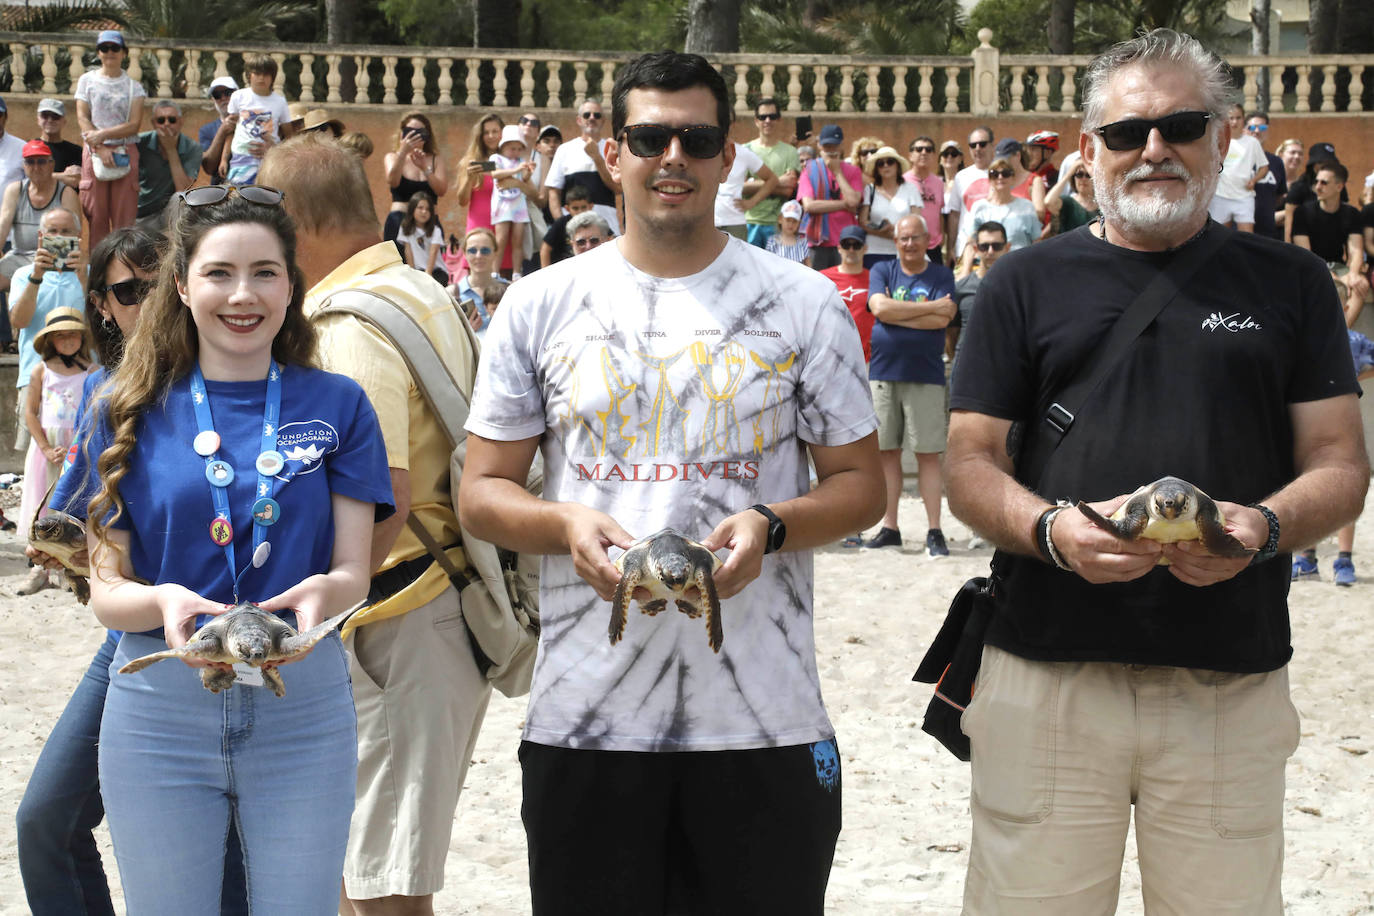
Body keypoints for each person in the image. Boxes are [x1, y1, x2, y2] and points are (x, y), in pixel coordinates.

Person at [945, 29, 1368, 913]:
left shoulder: (1291, 282)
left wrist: (1266, 529)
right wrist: (1049, 532)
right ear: (1088, 146)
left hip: (1227, 682)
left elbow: (1339, 459)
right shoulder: (1022, 282)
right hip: (1047, 675)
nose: (1154, 149)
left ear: (1223, 137)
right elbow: (969, 463)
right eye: (1126, 132)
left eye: (1181, 126)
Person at [459, 49, 882, 916]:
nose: (674, 158)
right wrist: (565, 524)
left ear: (730, 156)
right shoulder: (538, 303)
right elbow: (483, 491)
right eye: (651, 138)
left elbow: (861, 486)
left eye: (697, 139)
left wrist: (771, 522)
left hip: (763, 721)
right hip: (587, 721)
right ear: (612, 154)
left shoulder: (804, 302)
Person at [67, 184, 392, 913]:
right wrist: (162, 601)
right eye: (219, 273)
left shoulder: (340, 403)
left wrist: (327, 595)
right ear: (182, 287)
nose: (242, 295)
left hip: (303, 705)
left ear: (290, 286)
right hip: (159, 706)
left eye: (264, 272)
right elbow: (106, 591)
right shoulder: (121, 406)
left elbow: (352, 570)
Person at [259, 134, 495, 915]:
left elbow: (382, 498)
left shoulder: (345, 325)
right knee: (369, 875)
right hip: (429, 608)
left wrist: (309, 621)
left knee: (378, 892)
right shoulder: (419, 289)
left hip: (394, 623)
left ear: (293, 224)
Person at [17, 227, 255, 915]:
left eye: (156, 284)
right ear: (101, 304)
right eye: (127, 290)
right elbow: (83, 535)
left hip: (230, 639)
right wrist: (66, 549)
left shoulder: (233, 374)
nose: (146, 302)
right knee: (45, 821)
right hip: (135, 640)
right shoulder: (105, 391)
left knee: (226, 855)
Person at [863, 213, 955, 555]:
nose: (910, 243)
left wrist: (895, 313)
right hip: (883, 373)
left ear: (928, 240)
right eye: (903, 238)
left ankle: (934, 530)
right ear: (896, 241)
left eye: (916, 237)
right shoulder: (882, 270)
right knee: (886, 454)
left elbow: (944, 318)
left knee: (927, 454)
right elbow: (879, 308)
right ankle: (890, 527)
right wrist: (928, 309)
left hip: (925, 374)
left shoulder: (941, 274)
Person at [16, 307, 94, 593]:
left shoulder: (91, 372)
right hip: (47, 451)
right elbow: (30, 413)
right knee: (42, 504)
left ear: (82, 338)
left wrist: (79, 448)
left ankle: (67, 567)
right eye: (61, 336)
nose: (68, 340)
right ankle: (39, 568)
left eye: (73, 334)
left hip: (78, 450)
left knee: (71, 507)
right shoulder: (41, 370)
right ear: (50, 340)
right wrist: (46, 448)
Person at [10, 207, 85, 453]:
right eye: (53, 231)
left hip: (83, 378)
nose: (59, 237)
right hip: (36, 379)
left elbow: (103, 322)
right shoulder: (23, 275)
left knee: (84, 454)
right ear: (41, 236)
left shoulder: (91, 274)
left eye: (66, 231)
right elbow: (19, 321)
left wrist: (84, 278)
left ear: (78, 237)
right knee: (35, 457)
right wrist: (36, 276)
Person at [75, 29, 146, 250]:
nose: (109, 52)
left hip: (124, 151)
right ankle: (98, 267)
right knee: (96, 217)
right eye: (104, 48)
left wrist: (103, 135)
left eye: (115, 48)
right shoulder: (87, 80)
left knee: (124, 219)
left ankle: (123, 265)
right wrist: (100, 148)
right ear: (98, 52)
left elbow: (134, 124)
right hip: (94, 152)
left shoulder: (134, 87)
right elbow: (82, 117)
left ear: (124, 52)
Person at [1292, 161, 1370, 321]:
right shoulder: (1303, 212)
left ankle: (1343, 332)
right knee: (1329, 284)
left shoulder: (1351, 213)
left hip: (1337, 266)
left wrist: (1353, 274)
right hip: (1310, 267)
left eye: (1324, 182)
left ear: (1339, 186)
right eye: (1317, 182)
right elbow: (1306, 254)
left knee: (1360, 284)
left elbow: (1356, 250)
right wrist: (1330, 275)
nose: (1318, 187)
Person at [0, 140, 81, 294]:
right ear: (24, 166)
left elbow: (74, 235)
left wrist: (48, 265)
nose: (36, 167)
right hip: (18, 256)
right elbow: (2, 228)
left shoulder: (66, 193)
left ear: (52, 164)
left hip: (54, 258)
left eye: (41, 162)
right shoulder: (15, 190)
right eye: (30, 162)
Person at [544, 99, 620, 235]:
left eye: (597, 115)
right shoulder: (564, 149)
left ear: (603, 120)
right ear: (579, 120)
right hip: (574, 229)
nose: (592, 118)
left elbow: (618, 188)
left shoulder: (612, 148)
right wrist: (562, 224)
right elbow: (554, 192)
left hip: (607, 225)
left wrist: (597, 157)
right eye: (587, 115)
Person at [956, 156, 1039, 272]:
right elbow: (971, 242)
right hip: (988, 270)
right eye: (994, 174)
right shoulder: (979, 207)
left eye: (1005, 173)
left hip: (1020, 269)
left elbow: (1036, 242)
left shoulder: (1027, 207)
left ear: (1013, 178)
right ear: (989, 180)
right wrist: (965, 272)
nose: (1000, 177)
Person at [222, 55, 294, 186]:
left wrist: (274, 149)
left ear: (273, 77)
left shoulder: (280, 102)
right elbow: (230, 131)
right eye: (257, 73)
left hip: (269, 162)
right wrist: (224, 159)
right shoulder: (238, 97)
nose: (261, 78)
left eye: (266, 74)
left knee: (267, 196)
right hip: (240, 161)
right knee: (238, 196)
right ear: (249, 75)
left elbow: (290, 136)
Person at [798, 124, 861, 269]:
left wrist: (837, 172)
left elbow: (853, 201)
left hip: (846, 242)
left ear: (841, 146)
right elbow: (809, 206)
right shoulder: (809, 169)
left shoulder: (853, 171)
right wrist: (844, 204)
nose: (831, 151)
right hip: (816, 242)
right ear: (819, 145)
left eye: (834, 146)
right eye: (827, 146)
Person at [135, 100, 201, 232]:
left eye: (172, 120)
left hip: (169, 212)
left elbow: (183, 189)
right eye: (161, 120)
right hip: (141, 211)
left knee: (179, 199)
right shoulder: (140, 142)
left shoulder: (192, 148)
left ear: (180, 122)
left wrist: (171, 150)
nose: (166, 124)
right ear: (153, 123)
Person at [742, 97, 800, 248]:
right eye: (763, 117)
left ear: (779, 119)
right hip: (748, 222)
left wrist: (752, 184)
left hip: (778, 225)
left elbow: (788, 189)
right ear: (756, 121)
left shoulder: (790, 152)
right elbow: (739, 187)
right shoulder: (745, 150)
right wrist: (777, 182)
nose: (767, 120)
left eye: (772, 116)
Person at [455, 113, 509, 273]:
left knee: (505, 274)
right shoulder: (470, 161)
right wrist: (469, 178)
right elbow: (462, 201)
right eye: (486, 132)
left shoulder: (511, 160)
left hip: (504, 225)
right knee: (476, 275)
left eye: (495, 131)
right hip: (478, 226)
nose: (491, 136)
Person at [383, 111, 449, 242]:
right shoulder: (393, 157)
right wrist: (403, 152)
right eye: (409, 131)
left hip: (429, 223)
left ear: (427, 135)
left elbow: (441, 190)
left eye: (420, 132)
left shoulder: (435, 159)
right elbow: (393, 181)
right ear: (402, 133)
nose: (414, 135)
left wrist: (425, 168)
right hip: (399, 219)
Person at [1209, 102, 1268, 232]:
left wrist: (1254, 180)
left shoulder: (1253, 143)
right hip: (1220, 196)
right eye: (1231, 118)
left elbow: (1264, 167)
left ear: (1243, 119)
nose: (1234, 122)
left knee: (1247, 236)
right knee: (1220, 236)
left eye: (1238, 118)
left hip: (1244, 197)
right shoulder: (1217, 142)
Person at [858, 146, 920, 268]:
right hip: (873, 251)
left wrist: (895, 230)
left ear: (897, 166)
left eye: (890, 162)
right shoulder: (870, 189)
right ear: (877, 169)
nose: (886, 166)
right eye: (881, 164)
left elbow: (917, 222)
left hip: (904, 251)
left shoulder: (911, 189)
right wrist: (883, 231)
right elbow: (863, 222)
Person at [489, 124, 537, 280]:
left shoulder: (521, 161)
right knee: (500, 239)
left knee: (518, 240)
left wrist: (528, 172)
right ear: (503, 146)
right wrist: (516, 170)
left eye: (518, 148)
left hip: (519, 205)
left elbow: (524, 180)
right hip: (502, 205)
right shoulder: (495, 158)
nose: (515, 152)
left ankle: (517, 272)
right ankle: (494, 272)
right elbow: (495, 174)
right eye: (512, 148)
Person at [820, 223, 872, 362]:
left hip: (864, 359)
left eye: (856, 245)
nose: (851, 249)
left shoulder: (875, 279)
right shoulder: (822, 277)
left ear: (865, 249)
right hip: (829, 358)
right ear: (839, 248)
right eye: (846, 245)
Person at [715, 140, 777, 239]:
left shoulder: (743, 153)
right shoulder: (702, 150)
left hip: (735, 223)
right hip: (706, 221)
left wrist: (752, 202)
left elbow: (772, 179)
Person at [452, 225, 508, 333]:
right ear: (464, 254)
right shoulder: (453, 294)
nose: (478, 256)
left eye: (485, 250)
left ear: (495, 253)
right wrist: (467, 333)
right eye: (472, 250)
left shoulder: (510, 290)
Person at [946, 125, 994, 251]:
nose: (977, 149)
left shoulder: (1002, 173)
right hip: (966, 247)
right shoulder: (961, 177)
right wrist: (951, 247)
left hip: (995, 246)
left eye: (982, 144)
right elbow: (954, 215)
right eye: (973, 145)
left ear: (992, 146)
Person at [902, 136, 947, 263]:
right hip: (910, 246)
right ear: (910, 155)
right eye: (919, 149)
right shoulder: (902, 182)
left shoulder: (939, 183)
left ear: (934, 155)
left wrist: (941, 237)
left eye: (928, 149)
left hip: (934, 247)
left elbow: (939, 212)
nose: (924, 152)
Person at [1245, 112, 1286, 240]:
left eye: (1262, 127)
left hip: (1267, 234)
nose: (1257, 131)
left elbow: (1279, 196)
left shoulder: (1276, 162)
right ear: (1244, 130)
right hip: (1238, 231)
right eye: (1252, 127)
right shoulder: (1233, 159)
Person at [395, 190, 446, 284]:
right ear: (412, 209)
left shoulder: (436, 230)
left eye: (427, 209)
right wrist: (412, 272)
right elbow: (408, 250)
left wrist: (428, 273)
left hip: (435, 271)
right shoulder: (405, 228)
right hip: (418, 271)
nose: (424, 212)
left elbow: (433, 251)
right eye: (420, 208)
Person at [1043, 150, 1099, 233]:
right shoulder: (1068, 202)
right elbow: (1048, 202)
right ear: (1073, 178)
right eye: (1079, 175)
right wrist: (1070, 172)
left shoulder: (1102, 205)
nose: (1083, 179)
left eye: (1088, 175)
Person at [539, 183, 592, 267]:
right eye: (575, 208)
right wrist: (545, 272)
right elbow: (545, 249)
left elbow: (609, 238)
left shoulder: (596, 222)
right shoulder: (561, 224)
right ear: (567, 208)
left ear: (591, 206)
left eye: (583, 207)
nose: (580, 212)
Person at [35, 98, 83, 188]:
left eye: (55, 116)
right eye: (45, 115)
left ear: (64, 121)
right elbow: (30, 179)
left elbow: (77, 180)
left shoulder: (76, 151)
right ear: (38, 120)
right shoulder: (30, 148)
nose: (50, 120)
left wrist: (47, 177)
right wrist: (63, 177)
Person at [199, 76, 238, 185]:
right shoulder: (206, 130)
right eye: (217, 95)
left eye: (228, 93)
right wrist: (222, 131)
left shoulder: (251, 123)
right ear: (213, 99)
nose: (223, 98)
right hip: (221, 191)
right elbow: (209, 168)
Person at [766, 198, 810, 266]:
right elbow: (768, 263)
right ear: (780, 219)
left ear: (799, 223)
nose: (791, 224)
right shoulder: (773, 241)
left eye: (794, 221)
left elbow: (808, 266)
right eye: (788, 220)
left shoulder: (802, 243)